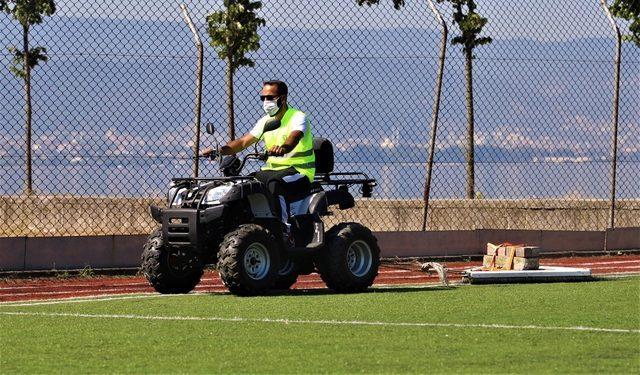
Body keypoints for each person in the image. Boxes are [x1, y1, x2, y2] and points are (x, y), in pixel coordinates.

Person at [201, 80, 315, 246]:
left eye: (270, 97)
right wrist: (219, 150)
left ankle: (284, 230)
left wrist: (283, 148)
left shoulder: (298, 117)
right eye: (263, 98)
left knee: (275, 183)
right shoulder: (265, 121)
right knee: (245, 184)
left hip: (299, 171)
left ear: (282, 99)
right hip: (272, 170)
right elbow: (243, 142)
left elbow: (294, 137)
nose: (266, 102)